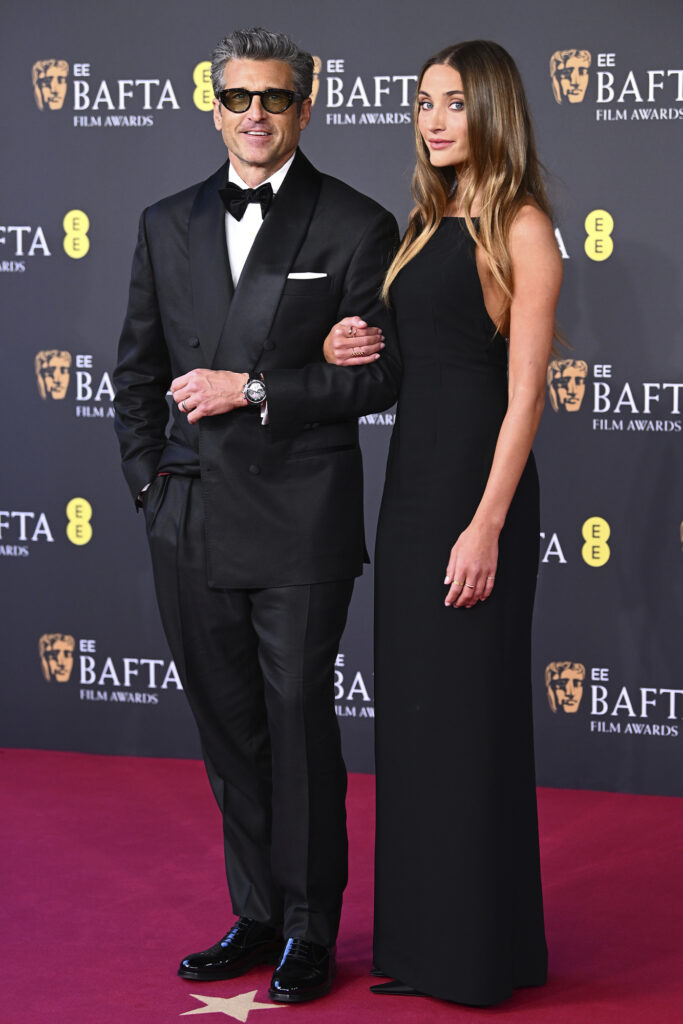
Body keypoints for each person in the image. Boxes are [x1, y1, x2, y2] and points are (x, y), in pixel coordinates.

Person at [113, 26, 400, 1005]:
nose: (254, 115)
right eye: (237, 97)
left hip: (297, 517)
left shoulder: (356, 223)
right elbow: (135, 369)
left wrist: (257, 386)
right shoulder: (163, 220)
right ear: (214, 104)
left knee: (295, 720)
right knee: (228, 727)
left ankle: (313, 925)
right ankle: (258, 910)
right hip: (186, 516)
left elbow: (381, 377)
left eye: (273, 98)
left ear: (304, 107)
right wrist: (148, 485)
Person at [326, 39, 562, 1005]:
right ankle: (418, 947)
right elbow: (400, 360)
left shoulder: (525, 226)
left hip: (477, 492)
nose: (431, 118)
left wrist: (487, 525)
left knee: (470, 726)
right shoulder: (426, 225)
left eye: (453, 102)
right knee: (417, 726)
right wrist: (350, 341)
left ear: (493, 110)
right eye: (422, 101)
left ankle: (479, 956)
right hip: (412, 489)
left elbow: (526, 397)